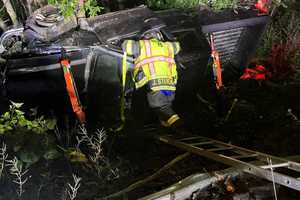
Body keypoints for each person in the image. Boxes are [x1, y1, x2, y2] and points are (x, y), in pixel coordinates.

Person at [122, 27, 184, 132]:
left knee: (160, 106)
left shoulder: (142, 45)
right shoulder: (168, 46)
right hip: (169, 85)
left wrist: (130, 37)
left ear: (144, 37)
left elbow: (125, 46)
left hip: (155, 83)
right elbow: (177, 46)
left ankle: (179, 126)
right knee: (165, 106)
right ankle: (166, 127)